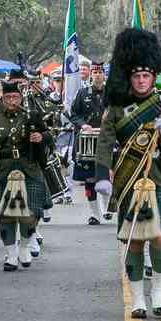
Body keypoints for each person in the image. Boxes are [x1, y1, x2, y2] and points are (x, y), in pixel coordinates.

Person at [96, 28, 161, 319]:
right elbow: (104, 143)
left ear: (153, 77)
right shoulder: (116, 110)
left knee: (159, 237)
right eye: (136, 77)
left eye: (146, 76)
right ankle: (137, 297)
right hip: (129, 182)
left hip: (160, 180)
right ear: (129, 78)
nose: (141, 81)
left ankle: (159, 291)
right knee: (135, 240)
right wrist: (102, 175)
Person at [0, 78, 50, 272]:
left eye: (15, 97)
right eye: (8, 97)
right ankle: (11, 255)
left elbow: (48, 136)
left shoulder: (32, 116)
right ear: (2, 98)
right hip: (3, 171)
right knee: (6, 217)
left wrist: (41, 137)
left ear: (20, 97)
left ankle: (25, 246)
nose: (12, 100)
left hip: (29, 168)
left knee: (29, 214)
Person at [70, 62, 110, 224]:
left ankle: (107, 208)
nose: (97, 75)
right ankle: (95, 214)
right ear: (91, 74)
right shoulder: (82, 93)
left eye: (100, 72)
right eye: (95, 72)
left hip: (106, 140)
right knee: (89, 179)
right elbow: (74, 114)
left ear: (104, 74)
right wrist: (83, 125)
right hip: (86, 142)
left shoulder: (111, 93)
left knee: (106, 175)